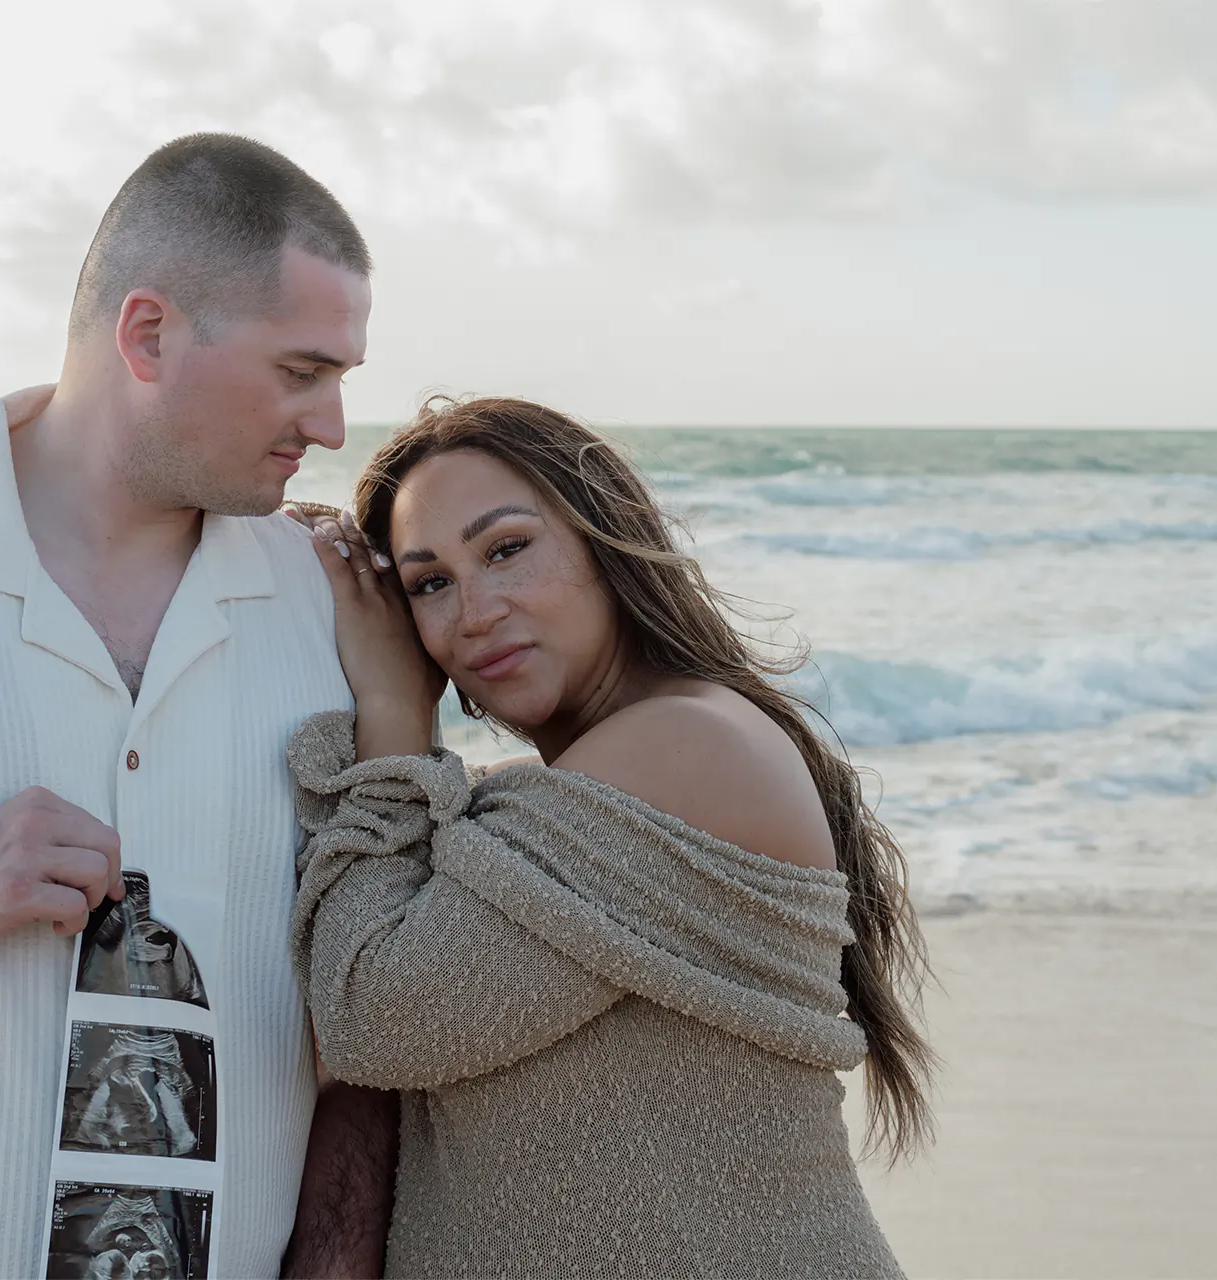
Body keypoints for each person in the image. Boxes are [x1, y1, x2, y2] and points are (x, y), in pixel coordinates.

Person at [0, 134, 394, 1278]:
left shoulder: (337, 608)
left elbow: (372, 1002)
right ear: (148, 333)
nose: (332, 427)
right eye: (303, 370)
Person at [286, 396, 935, 1278]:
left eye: (506, 549)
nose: (473, 612)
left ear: (607, 540)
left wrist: (395, 713)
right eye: (429, 583)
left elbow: (376, 1019)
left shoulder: (686, 744)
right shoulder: (557, 796)